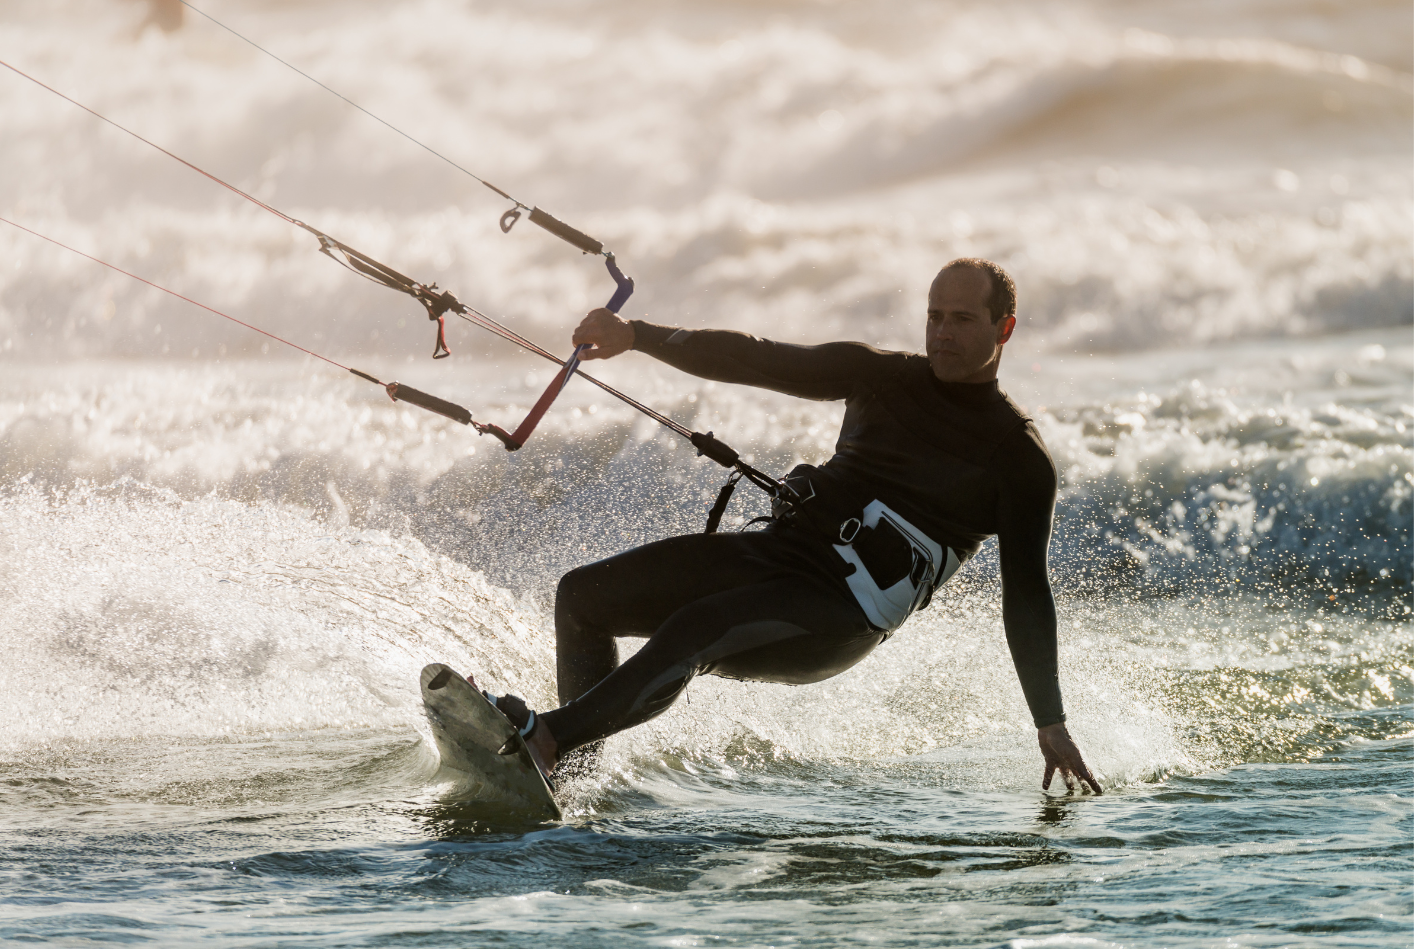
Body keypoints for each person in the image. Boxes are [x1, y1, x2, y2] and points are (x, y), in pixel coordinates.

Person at [481, 258, 1102, 795]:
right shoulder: (880, 375)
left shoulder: (1017, 459)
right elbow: (757, 358)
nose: (942, 333)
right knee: (583, 598)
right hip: (781, 555)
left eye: (962, 320)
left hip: (842, 613)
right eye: (934, 315)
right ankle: (566, 778)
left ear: (1005, 328)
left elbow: (1027, 593)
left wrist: (1049, 720)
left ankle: (551, 737)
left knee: (698, 627)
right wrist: (637, 334)